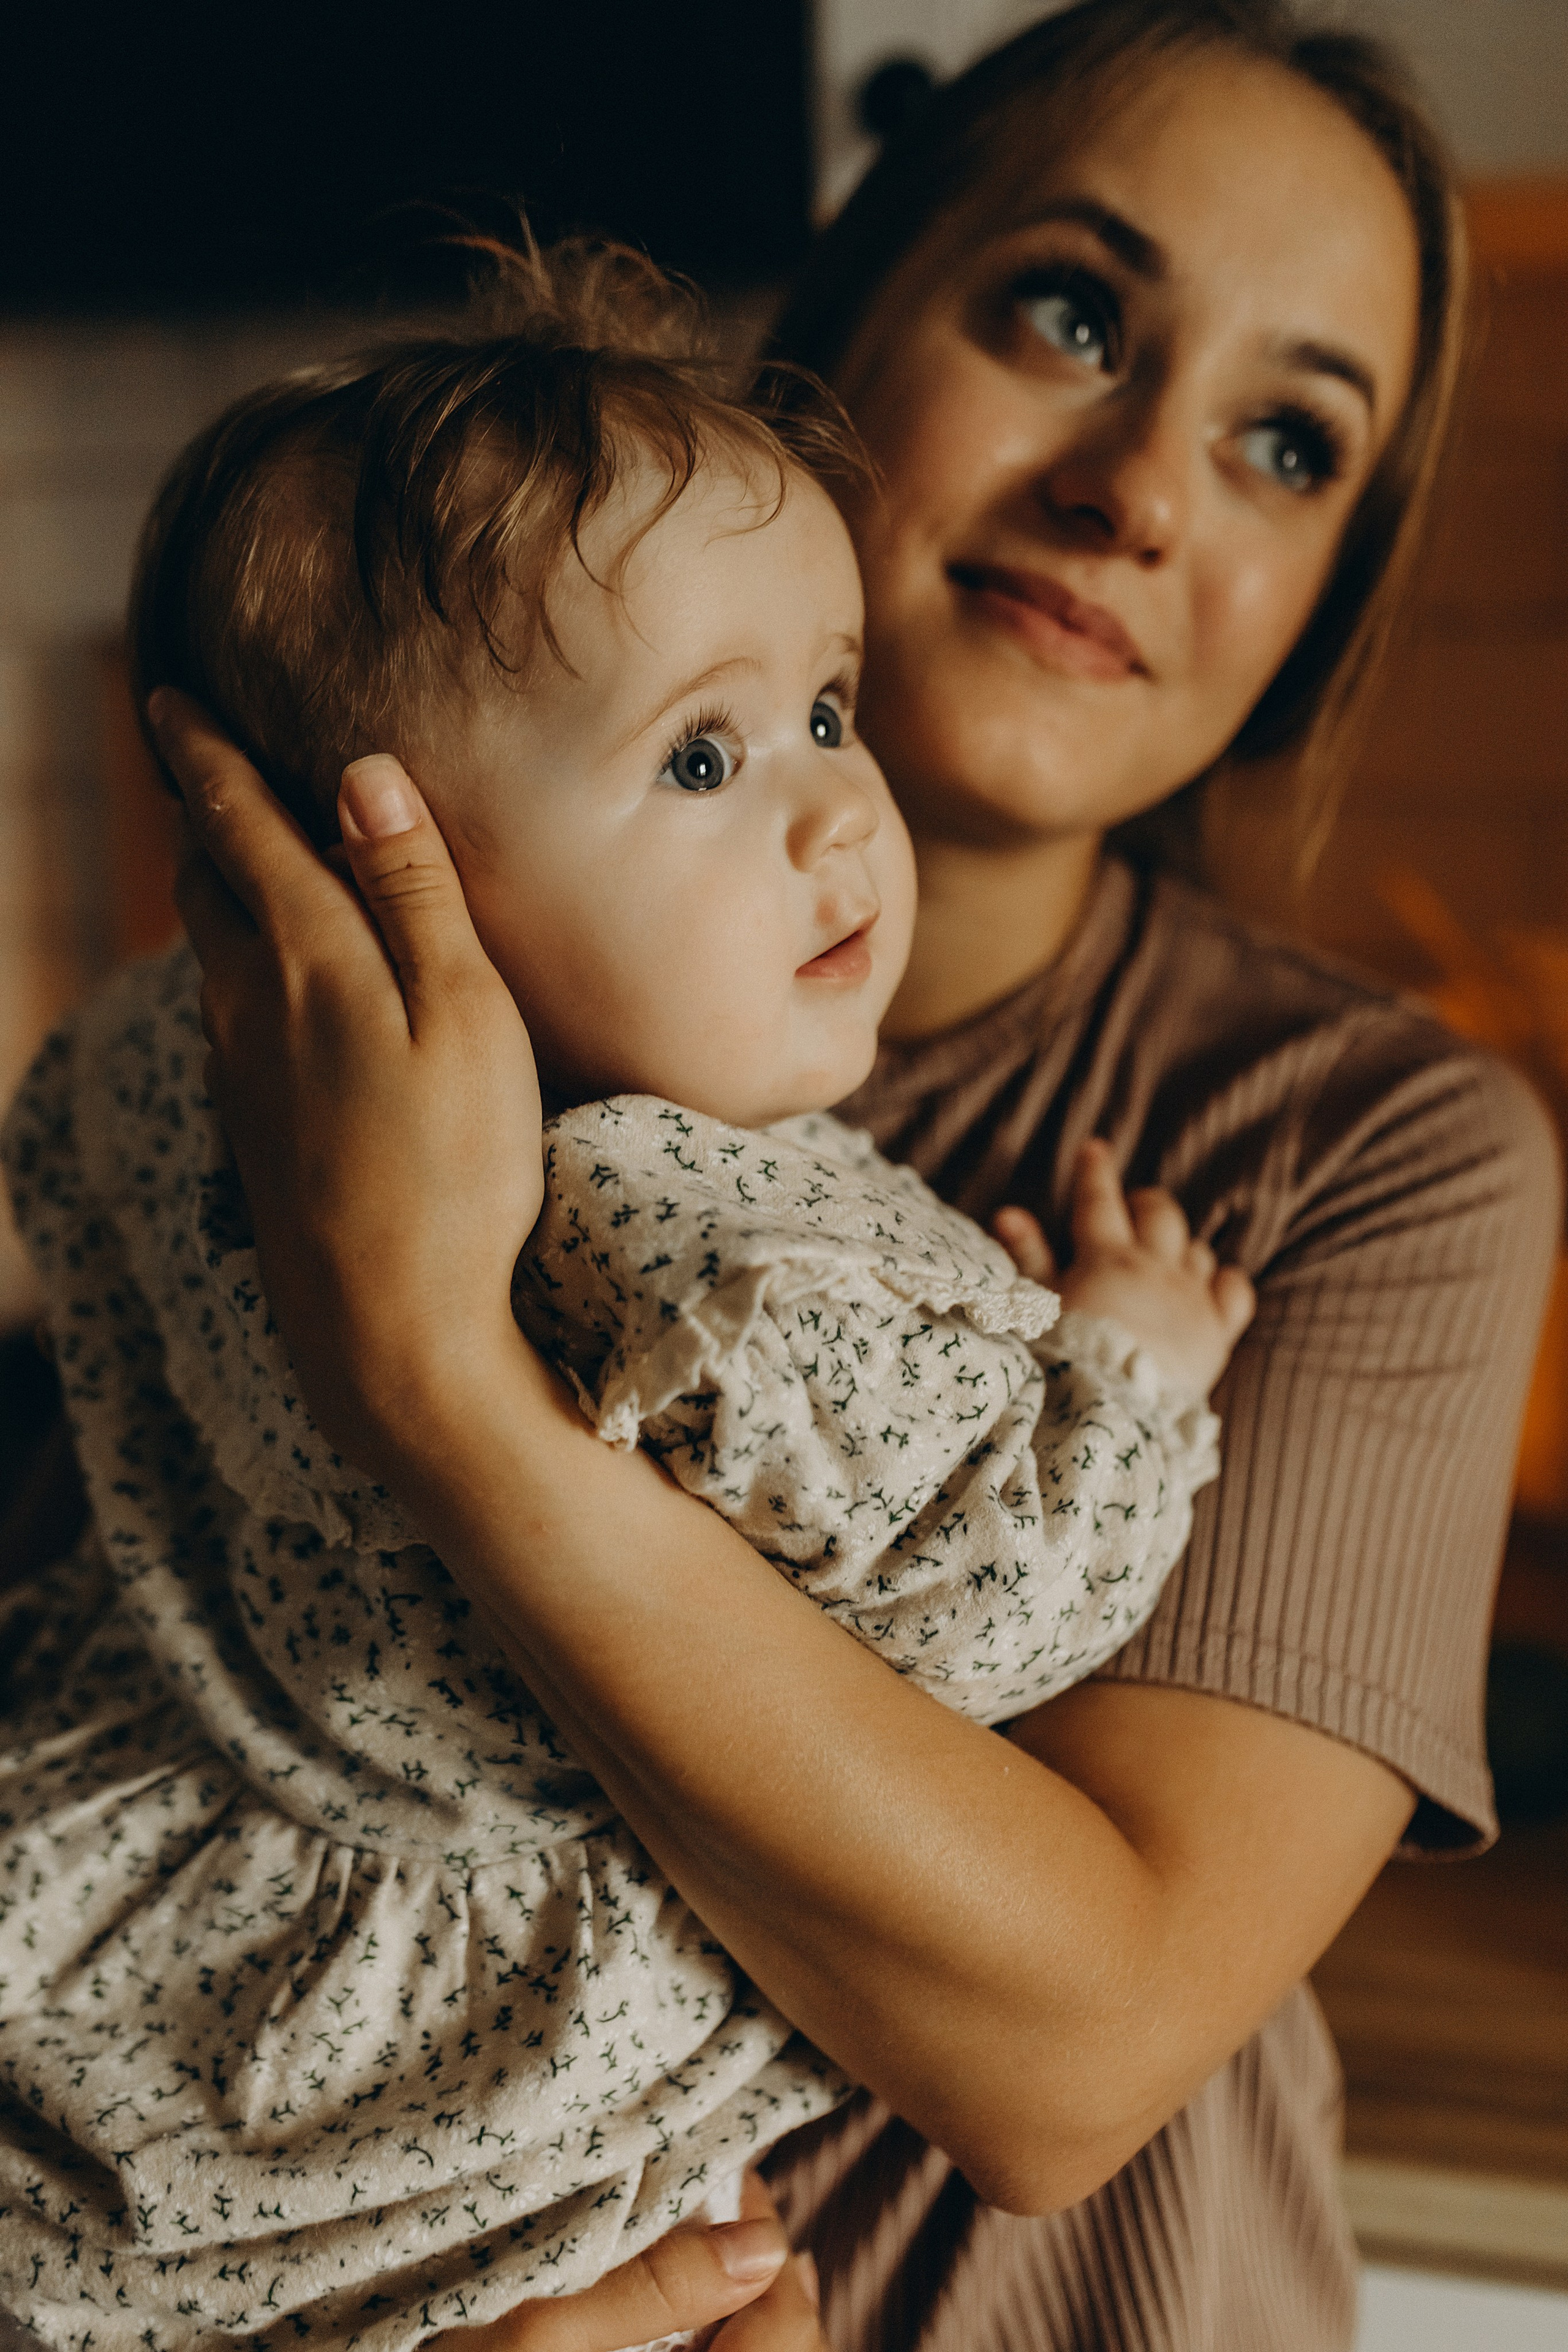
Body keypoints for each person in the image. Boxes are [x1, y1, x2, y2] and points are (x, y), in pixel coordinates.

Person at [12, 1, 1566, 2346]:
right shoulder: (321, 1086)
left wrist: (437, 1379)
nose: (1141, 486)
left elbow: (1077, 2051)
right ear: (839, 339)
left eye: (1286, 443)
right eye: (1070, 313)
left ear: (1326, 589)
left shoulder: (1363, 1154)